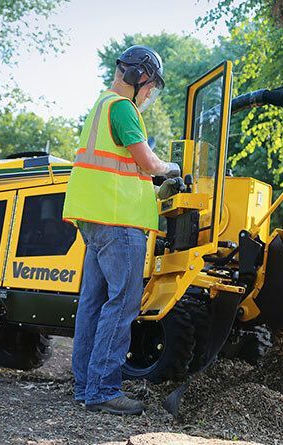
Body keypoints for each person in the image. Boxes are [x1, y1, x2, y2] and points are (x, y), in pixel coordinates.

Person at [62, 45, 180, 416]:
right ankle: (104, 390)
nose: (149, 95)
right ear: (138, 76)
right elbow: (146, 162)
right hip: (119, 223)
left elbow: (124, 171)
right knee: (122, 305)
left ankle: (86, 386)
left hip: (95, 220)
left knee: (93, 305)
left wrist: (155, 190)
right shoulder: (123, 108)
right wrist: (171, 168)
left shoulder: (100, 106)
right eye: (151, 87)